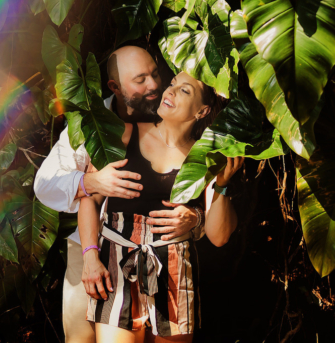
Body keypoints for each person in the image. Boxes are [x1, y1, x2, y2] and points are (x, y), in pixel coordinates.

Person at [34, 46, 203, 343]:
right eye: (140, 80)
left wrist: (197, 219)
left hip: (160, 253)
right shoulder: (91, 123)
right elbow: (43, 185)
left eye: (154, 74)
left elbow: (197, 197)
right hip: (94, 247)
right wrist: (92, 182)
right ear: (115, 87)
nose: (153, 86)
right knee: (82, 338)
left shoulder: (171, 123)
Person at [79, 71, 241, 342]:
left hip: (174, 270)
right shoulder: (125, 133)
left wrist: (221, 186)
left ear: (202, 111)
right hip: (116, 264)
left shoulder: (207, 156)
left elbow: (219, 235)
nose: (171, 91)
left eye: (185, 91)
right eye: (173, 84)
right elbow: (90, 198)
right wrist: (89, 256)